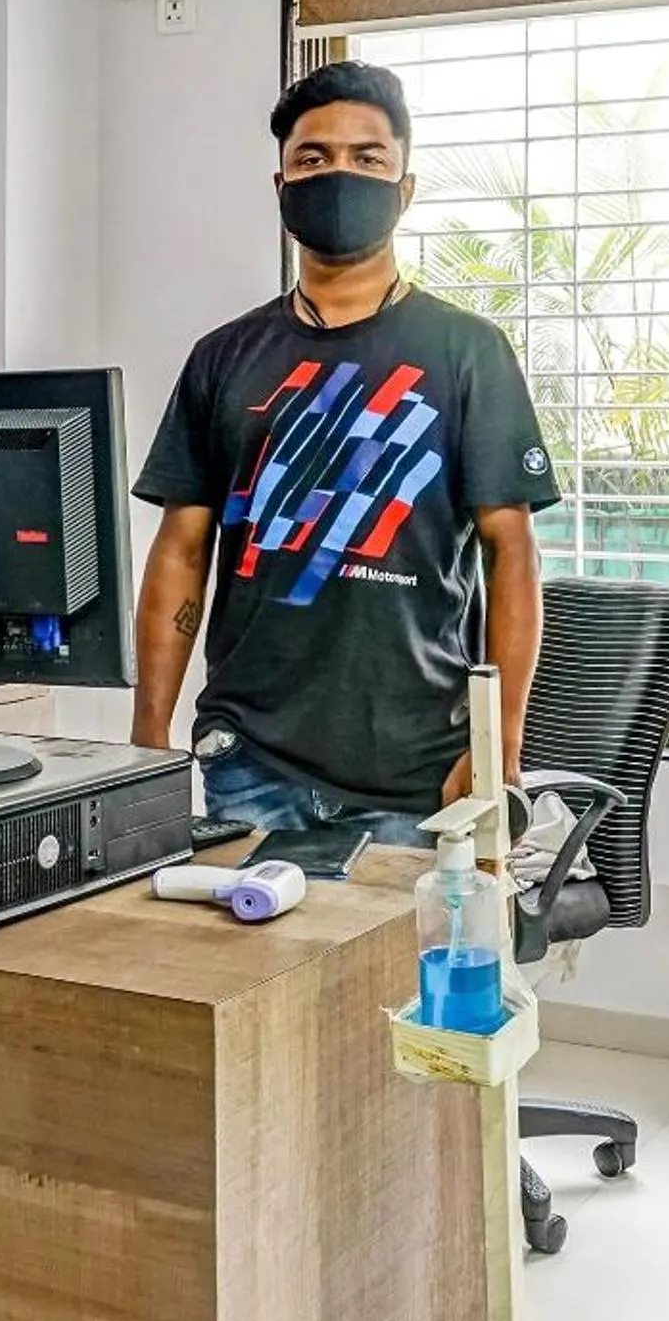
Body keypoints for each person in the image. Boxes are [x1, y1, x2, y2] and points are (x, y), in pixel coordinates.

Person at [131, 60, 560, 848]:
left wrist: (498, 748)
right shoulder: (224, 357)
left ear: (405, 188)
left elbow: (513, 556)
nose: (338, 175)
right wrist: (147, 741)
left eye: (367, 158)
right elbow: (182, 552)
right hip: (248, 758)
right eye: (313, 157)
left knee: (404, 939)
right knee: (232, 935)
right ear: (281, 186)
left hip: (420, 765)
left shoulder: (468, 352)